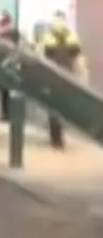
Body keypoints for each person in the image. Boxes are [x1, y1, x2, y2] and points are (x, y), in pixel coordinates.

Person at [39, 11, 87, 149]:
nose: (58, 23)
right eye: (57, 20)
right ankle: (56, 137)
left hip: (64, 77)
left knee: (58, 107)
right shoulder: (50, 37)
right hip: (56, 77)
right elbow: (44, 57)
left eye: (59, 20)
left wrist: (82, 76)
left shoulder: (69, 36)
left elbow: (78, 58)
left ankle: (57, 136)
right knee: (55, 107)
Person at [0, 10, 19, 120]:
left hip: (11, 66)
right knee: (3, 91)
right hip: (2, 66)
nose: (4, 26)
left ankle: (11, 114)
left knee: (11, 92)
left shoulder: (14, 34)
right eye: (2, 24)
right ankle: (5, 114)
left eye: (5, 23)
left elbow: (17, 49)